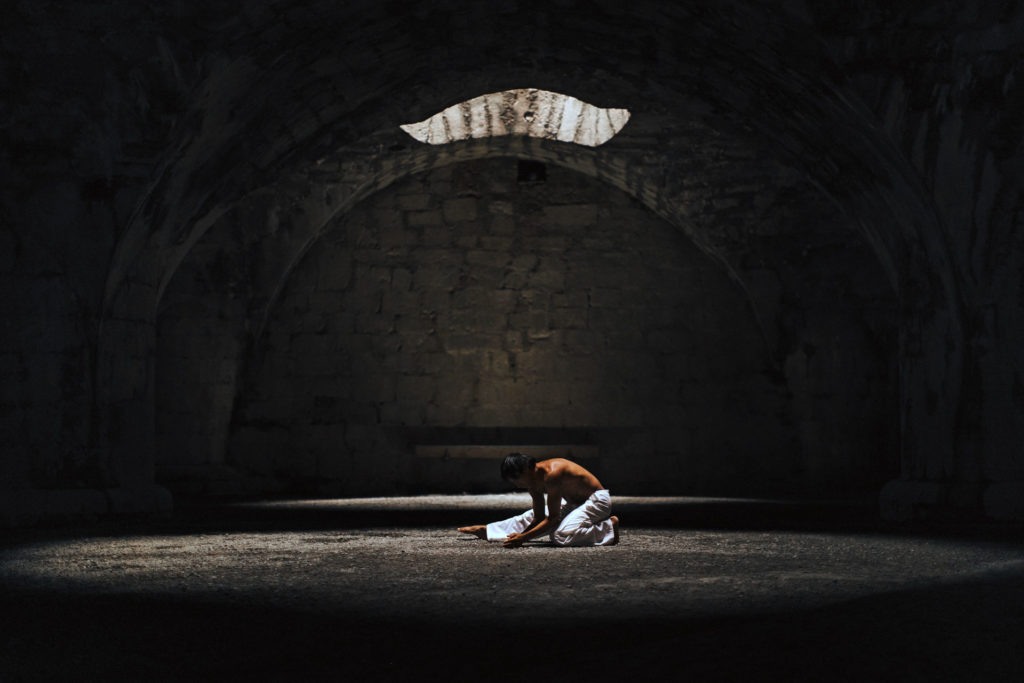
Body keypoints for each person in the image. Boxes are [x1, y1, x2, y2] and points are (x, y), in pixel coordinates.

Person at [458, 453, 619, 548]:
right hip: (574, 504)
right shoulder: (532, 483)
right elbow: (538, 517)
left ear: (526, 469)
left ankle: (608, 528)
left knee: (560, 536)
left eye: (516, 479)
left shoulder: (553, 474)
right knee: (528, 517)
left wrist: (524, 538)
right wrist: (521, 536)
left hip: (597, 501)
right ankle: (489, 531)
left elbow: (553, 518)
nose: (517, 485)